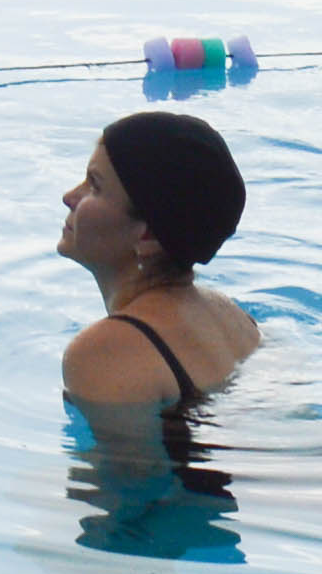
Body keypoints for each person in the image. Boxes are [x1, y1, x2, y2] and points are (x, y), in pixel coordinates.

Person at [56, 111, 262, 415]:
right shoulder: (229, 314)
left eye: (95, 186)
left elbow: (127, 464)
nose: (69, 196)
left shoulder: (103, 353)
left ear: (148, 235)